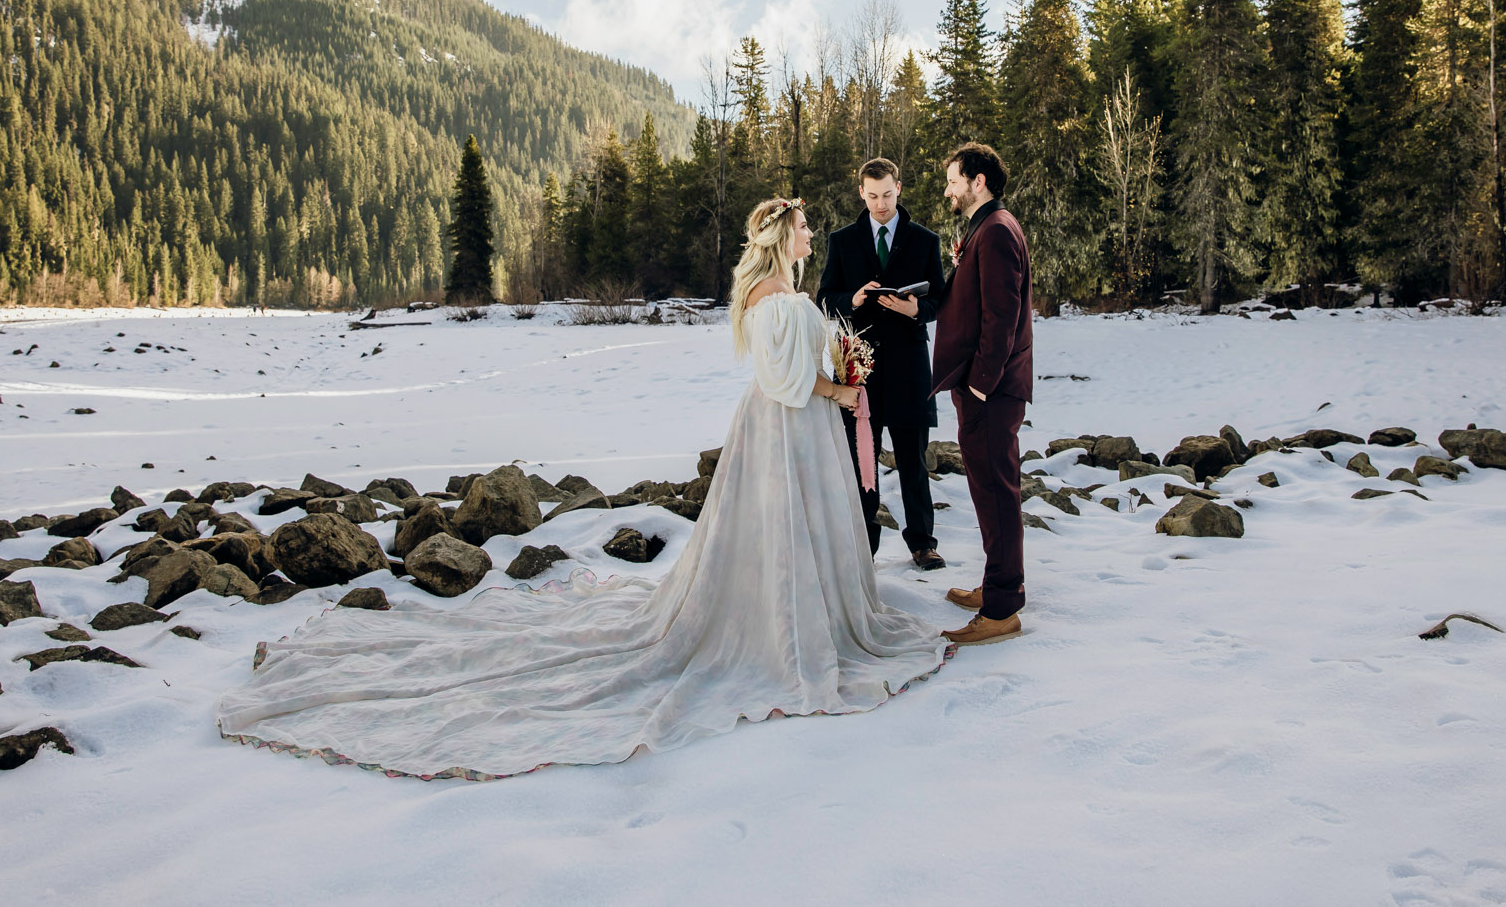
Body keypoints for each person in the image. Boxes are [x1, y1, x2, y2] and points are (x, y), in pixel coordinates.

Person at [216, 198, 949, 780]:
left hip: (809, 432)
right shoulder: (765, 292)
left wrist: (846, 367)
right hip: (784, 428)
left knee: (801, 531)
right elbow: (779, 378)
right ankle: (778, 626)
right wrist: (835, 386)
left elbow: (807, 354)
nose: (811, 231)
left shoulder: (791, 286)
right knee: (773, 530)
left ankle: (811, 608)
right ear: (779, 234)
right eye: (802, 224)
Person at [816, 157, 950, 569]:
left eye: (887, 195)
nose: (880, 204)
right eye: (872, 196)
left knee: (913, 462)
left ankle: (923, 543)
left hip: (910, 368)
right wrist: (852, 300)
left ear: (899, 188)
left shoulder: (925, 240)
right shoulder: (843, 240)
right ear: (861, 192)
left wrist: (915, 311)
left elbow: (941, 301)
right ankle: (862, 546)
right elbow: (824, 298)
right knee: (862, 463)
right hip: (860, 369)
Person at [930, 143, 1034, 648]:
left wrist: (978, 385)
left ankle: (1001, 611)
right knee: (990, 491)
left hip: (989, 393)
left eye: (954, 179)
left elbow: (1002, 315)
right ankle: (998, 585)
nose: (948, 188)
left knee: (996, 493)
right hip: (983, 390)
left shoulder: (994, 232)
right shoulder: (987, 228)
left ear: (978, 181)